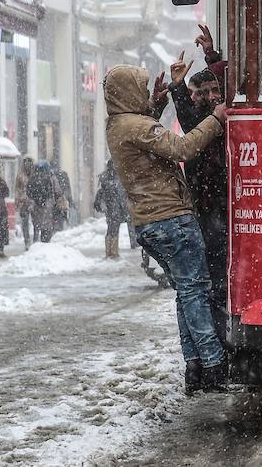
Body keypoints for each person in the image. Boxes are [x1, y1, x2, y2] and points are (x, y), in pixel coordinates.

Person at [104, 63, 229, 393]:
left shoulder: (118, 124)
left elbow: (146, 131)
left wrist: (157, 104)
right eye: (141, 90)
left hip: (150, 221)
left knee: (185, 293)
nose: (146, 93)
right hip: (171, 218)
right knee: (196, 292)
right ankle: (214, 365)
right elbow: (183, 148)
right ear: (128, 93)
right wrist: (216, 119)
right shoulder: (134, 126)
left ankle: (195, 365)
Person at [169, 26, 230, 336]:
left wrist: (211, 56)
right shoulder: (205, 122)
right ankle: (214, 345)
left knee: (212, 282)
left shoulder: (222, 117)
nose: (209, 97)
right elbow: (193, 121)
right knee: (211, 282)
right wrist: (178, 86)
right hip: (208, 209)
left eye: (214, 91)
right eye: (202, 93)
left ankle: (213, 346)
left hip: (218, 208)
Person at [94, 159, 129, 259]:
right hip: (115, 207)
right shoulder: (117, 178)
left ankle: (109, 252)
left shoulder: (105, 177)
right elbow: (120, 194)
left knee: (110, 228)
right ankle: (113, 253)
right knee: (114, 229)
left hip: (109, 208)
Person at [26, 160, 65, 243]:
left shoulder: (32, 177)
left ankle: (35, 241)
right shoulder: (51, 177)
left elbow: (28, 191)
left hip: (35, 204)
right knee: (46, 225)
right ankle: (45, 243)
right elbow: (58, 191)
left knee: (36, 224)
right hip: (47, 204)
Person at [14, 157, 35, 250]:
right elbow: (17, 189)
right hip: (24, 202)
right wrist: (18, 201)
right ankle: (27, 242)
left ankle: (35, 241)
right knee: (25, 223)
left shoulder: (34, 174)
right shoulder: (20, 175)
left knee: (35, 222)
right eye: (26, 162)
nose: (27, 165)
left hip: (33, 201)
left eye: (29, 162)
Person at [51, 161, 73, 232]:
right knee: (62, 212)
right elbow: (68, 187)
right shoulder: (63, 174)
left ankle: (56, 228)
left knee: (55, 213)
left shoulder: (51, 175)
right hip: (62, 197)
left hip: (54, 198)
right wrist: (69, 198)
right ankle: (61, 227)